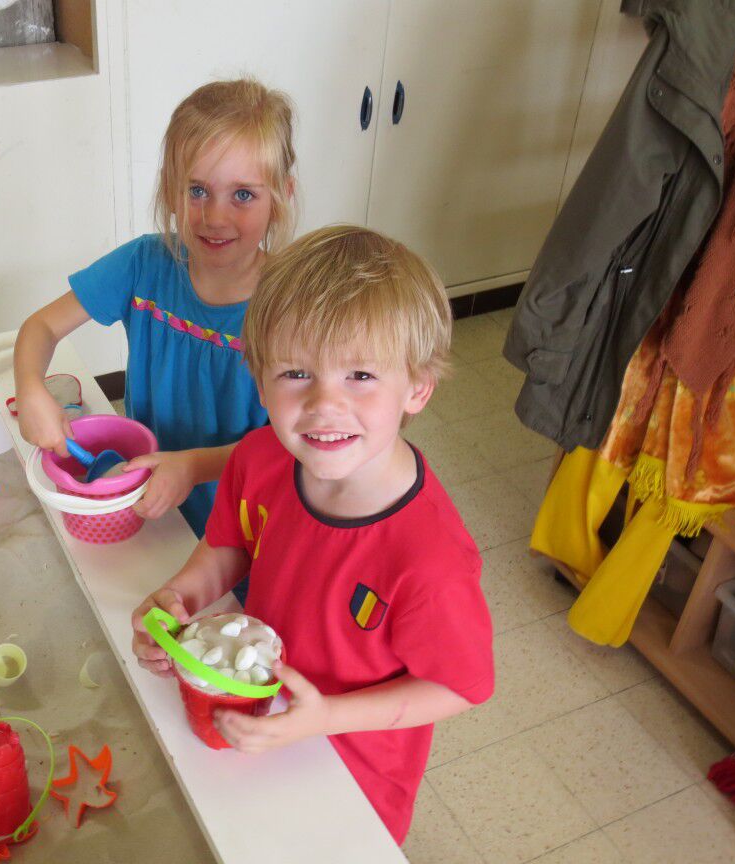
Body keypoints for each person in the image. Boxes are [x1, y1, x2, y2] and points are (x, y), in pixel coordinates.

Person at [130, 225, 495, 842]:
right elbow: (231, 545)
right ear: (259, 379)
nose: (325, 404)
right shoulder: (260, 457)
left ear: (417, 387)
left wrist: (323, 717)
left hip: (352, 780)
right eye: (296, 373)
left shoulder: (430, 559)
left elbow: (458, 686)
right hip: (251, 725)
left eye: (361, 375)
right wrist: (182, 596)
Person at [13, 78, 297, 538]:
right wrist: (30, 389)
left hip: (241, 526)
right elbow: (41, 326)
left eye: (243, 194)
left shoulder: (292, 308)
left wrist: (193, 467)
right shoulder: (144, 264)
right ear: (170, 189)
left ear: (280, 198)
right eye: (197, 190)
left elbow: (294, 443)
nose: (215, 217)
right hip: (149, 511)